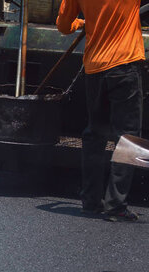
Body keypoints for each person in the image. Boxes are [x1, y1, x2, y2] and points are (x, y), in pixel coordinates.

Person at [57, 0, 144, 222]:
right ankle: (116, 205)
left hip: (94, 68)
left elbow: (63, 26)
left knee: (95, 134)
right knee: (128, 138)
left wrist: (80, 22)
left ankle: (91, 201)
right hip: (124, 65)